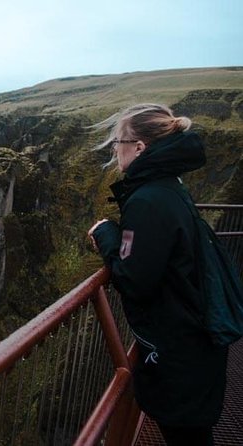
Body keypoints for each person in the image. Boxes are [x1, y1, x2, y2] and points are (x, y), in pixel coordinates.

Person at [86, 103, 227, 446]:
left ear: (139, 147)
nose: (115, 150)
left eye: (119, 142)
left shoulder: (148, 200)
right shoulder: (168, 188)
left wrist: (106, 234)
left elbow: (134, 279)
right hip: (194, 343)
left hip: (179, 354)